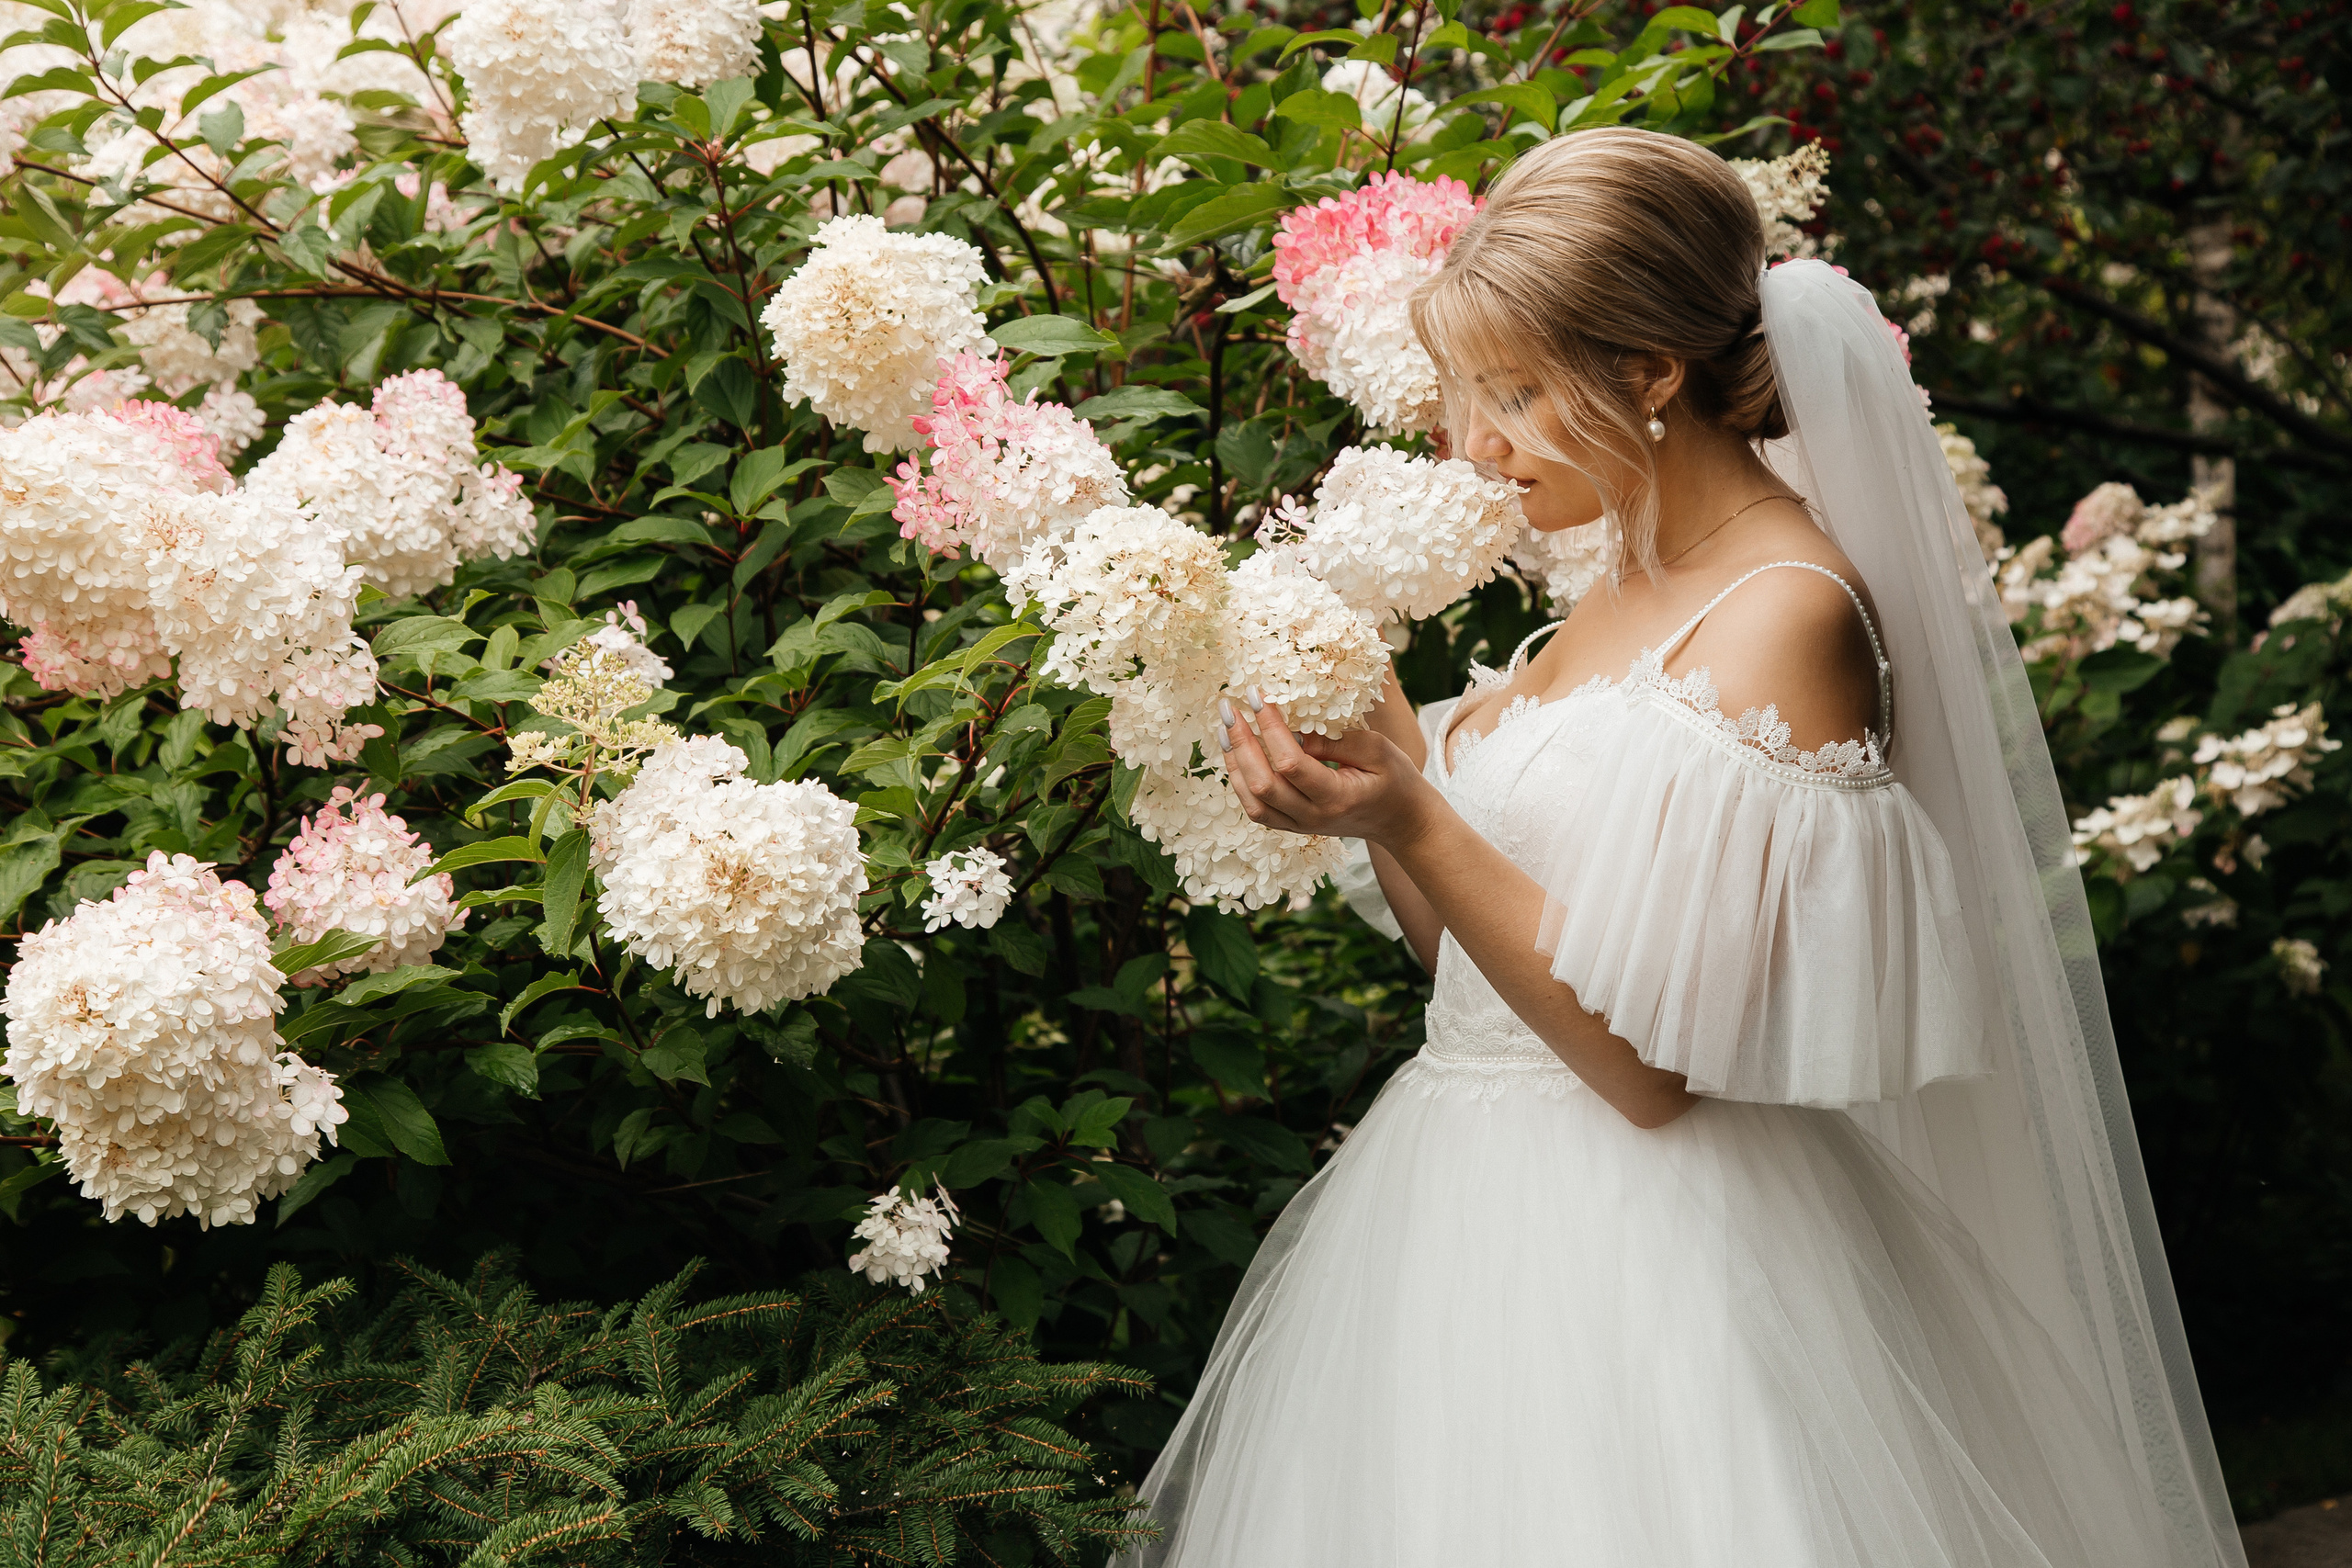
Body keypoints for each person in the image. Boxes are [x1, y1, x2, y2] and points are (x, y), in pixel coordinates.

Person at [1118, 127, 2247, 1568]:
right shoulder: (1619, 582)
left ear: (1651, 374)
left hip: (1662, 1256)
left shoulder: (1786, 612)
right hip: (1456, 1221)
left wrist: (1411, 811)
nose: (1474, 445)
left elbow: (1648, 1072)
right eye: (1468, 396)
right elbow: (1472, 969)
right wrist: (1384, 756)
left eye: (1515, 393)